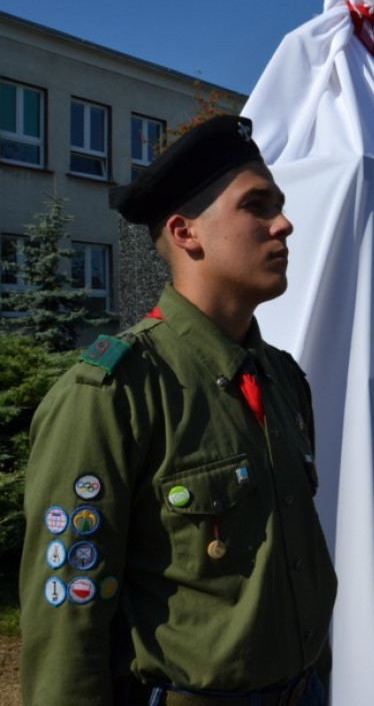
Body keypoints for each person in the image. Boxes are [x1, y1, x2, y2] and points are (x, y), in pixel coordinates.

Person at [19, 115, 337, 706]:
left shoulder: (282, 379)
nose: (285, 223)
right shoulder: (114, 395)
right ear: (185, 232)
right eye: (257, 206)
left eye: (281, 205)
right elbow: (67, 623)